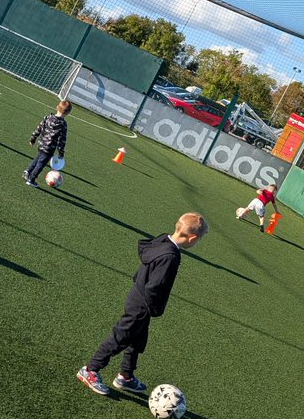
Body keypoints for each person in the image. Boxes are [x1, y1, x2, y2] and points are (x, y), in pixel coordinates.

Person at [76, 212, 209, 396]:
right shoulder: (171, 257)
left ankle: (126, 376)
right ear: (192, 238)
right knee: (121, 336)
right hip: (143, 302)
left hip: (137, 295)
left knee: (137, 339)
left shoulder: (162, 241)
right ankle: (90, 369)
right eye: (198, 241)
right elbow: (156, 285)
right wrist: (154, 307)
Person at [23, 99, 72, 187]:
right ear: (68, 113)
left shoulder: (48, 117)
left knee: (38, 158)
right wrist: (61, 153)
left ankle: (28, 171)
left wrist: (33, 139)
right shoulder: (63, 124)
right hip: (49, 148)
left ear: (57, 107)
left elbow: (39, 128)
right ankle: (31, 179)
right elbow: (62, 140)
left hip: (41, 144)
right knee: (41, 164)